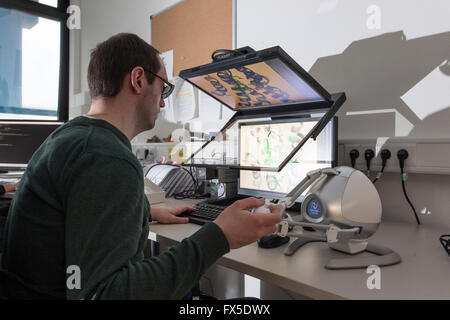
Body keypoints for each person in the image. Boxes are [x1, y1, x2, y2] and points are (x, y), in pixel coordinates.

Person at [0, 33, 281, 300]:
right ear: (138, 79)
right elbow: (108, 294)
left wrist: (142, 211)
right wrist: (220, 236)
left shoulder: (71, 137)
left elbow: (74, 213)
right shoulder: (106, 156)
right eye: (163, 89)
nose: (161, 102)